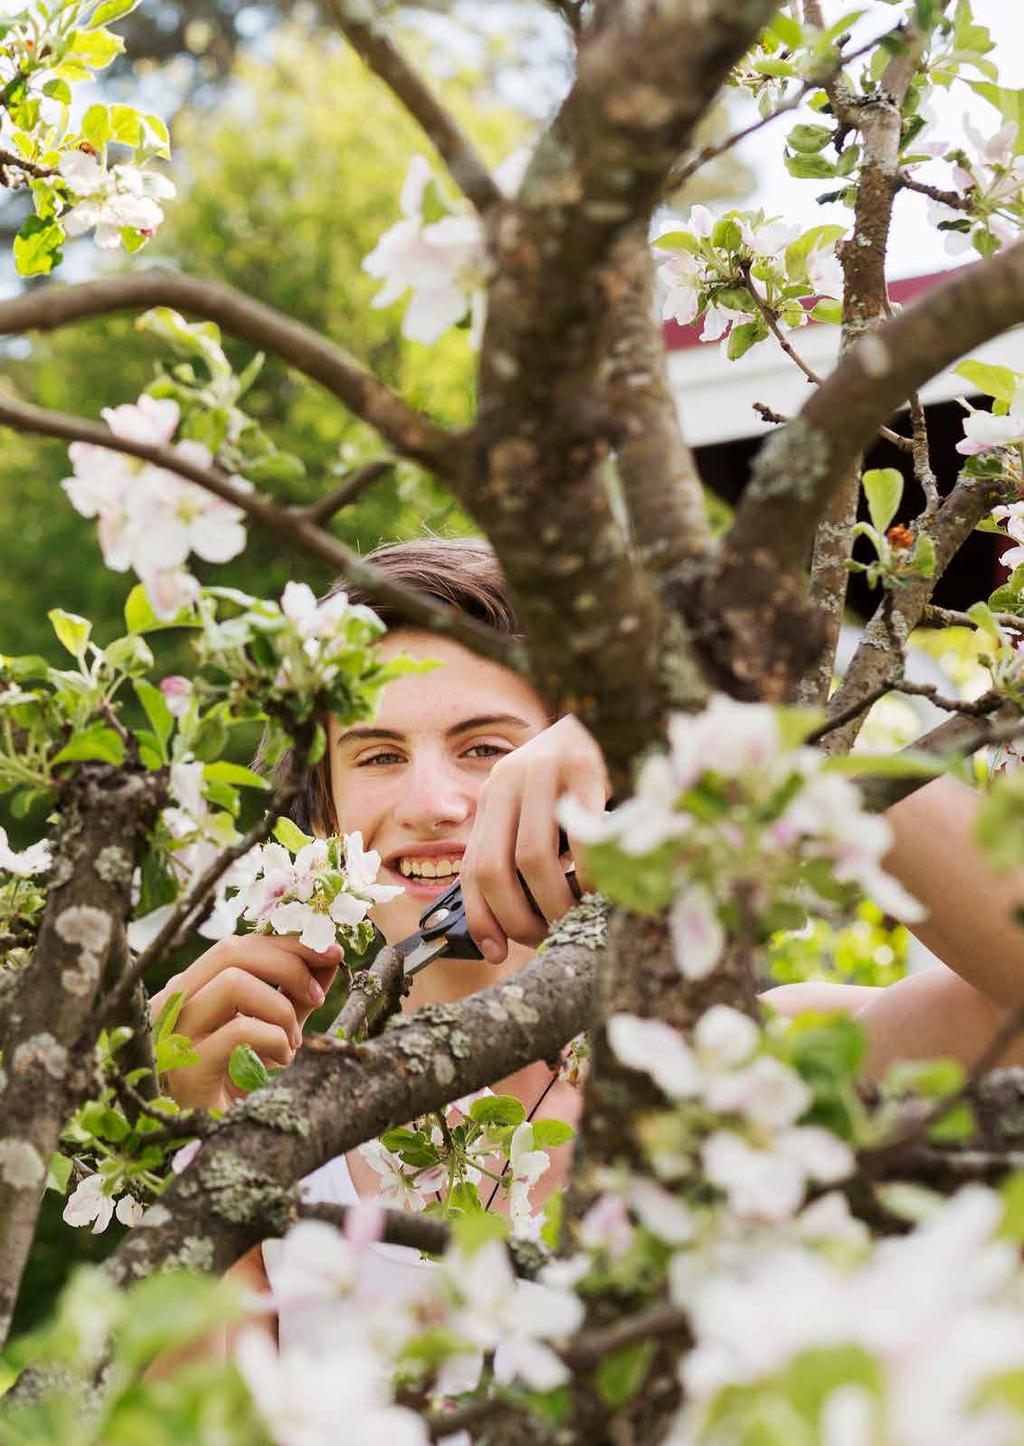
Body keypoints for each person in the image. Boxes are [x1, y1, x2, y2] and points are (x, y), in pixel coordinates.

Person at [148, 536, 1024, 1335]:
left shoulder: (764, 1065)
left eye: (486, 748)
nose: (431, 807)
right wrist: (199, 1137)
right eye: (378, 757)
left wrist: (721, 724)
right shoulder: (276, 1145)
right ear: (323, 809)